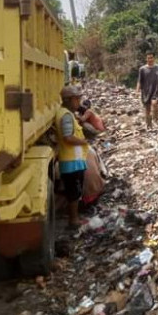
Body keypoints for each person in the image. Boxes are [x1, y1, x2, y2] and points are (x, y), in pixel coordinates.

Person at [56, 85, 89, 228]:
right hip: (71, 161)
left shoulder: (65, 113)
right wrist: (83, 141)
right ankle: (74, 221)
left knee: (74, 191)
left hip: (72, 160)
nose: (79, 102)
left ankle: (74, 219)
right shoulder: (66, 116)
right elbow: (68, 137)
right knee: (74, 192)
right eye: (77, 99)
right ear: (69, 100)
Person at [136, 52, 158, 129]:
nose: (150, 59)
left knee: (154, 104)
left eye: (151, 57)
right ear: (146, 59)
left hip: (155, 91)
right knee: (147, 109)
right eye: (148, 58)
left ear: (153, 58)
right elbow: (139, 81)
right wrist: (137, 91)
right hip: (146, 91)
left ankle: (155, 120)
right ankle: (148, 124)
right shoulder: (142, 69)